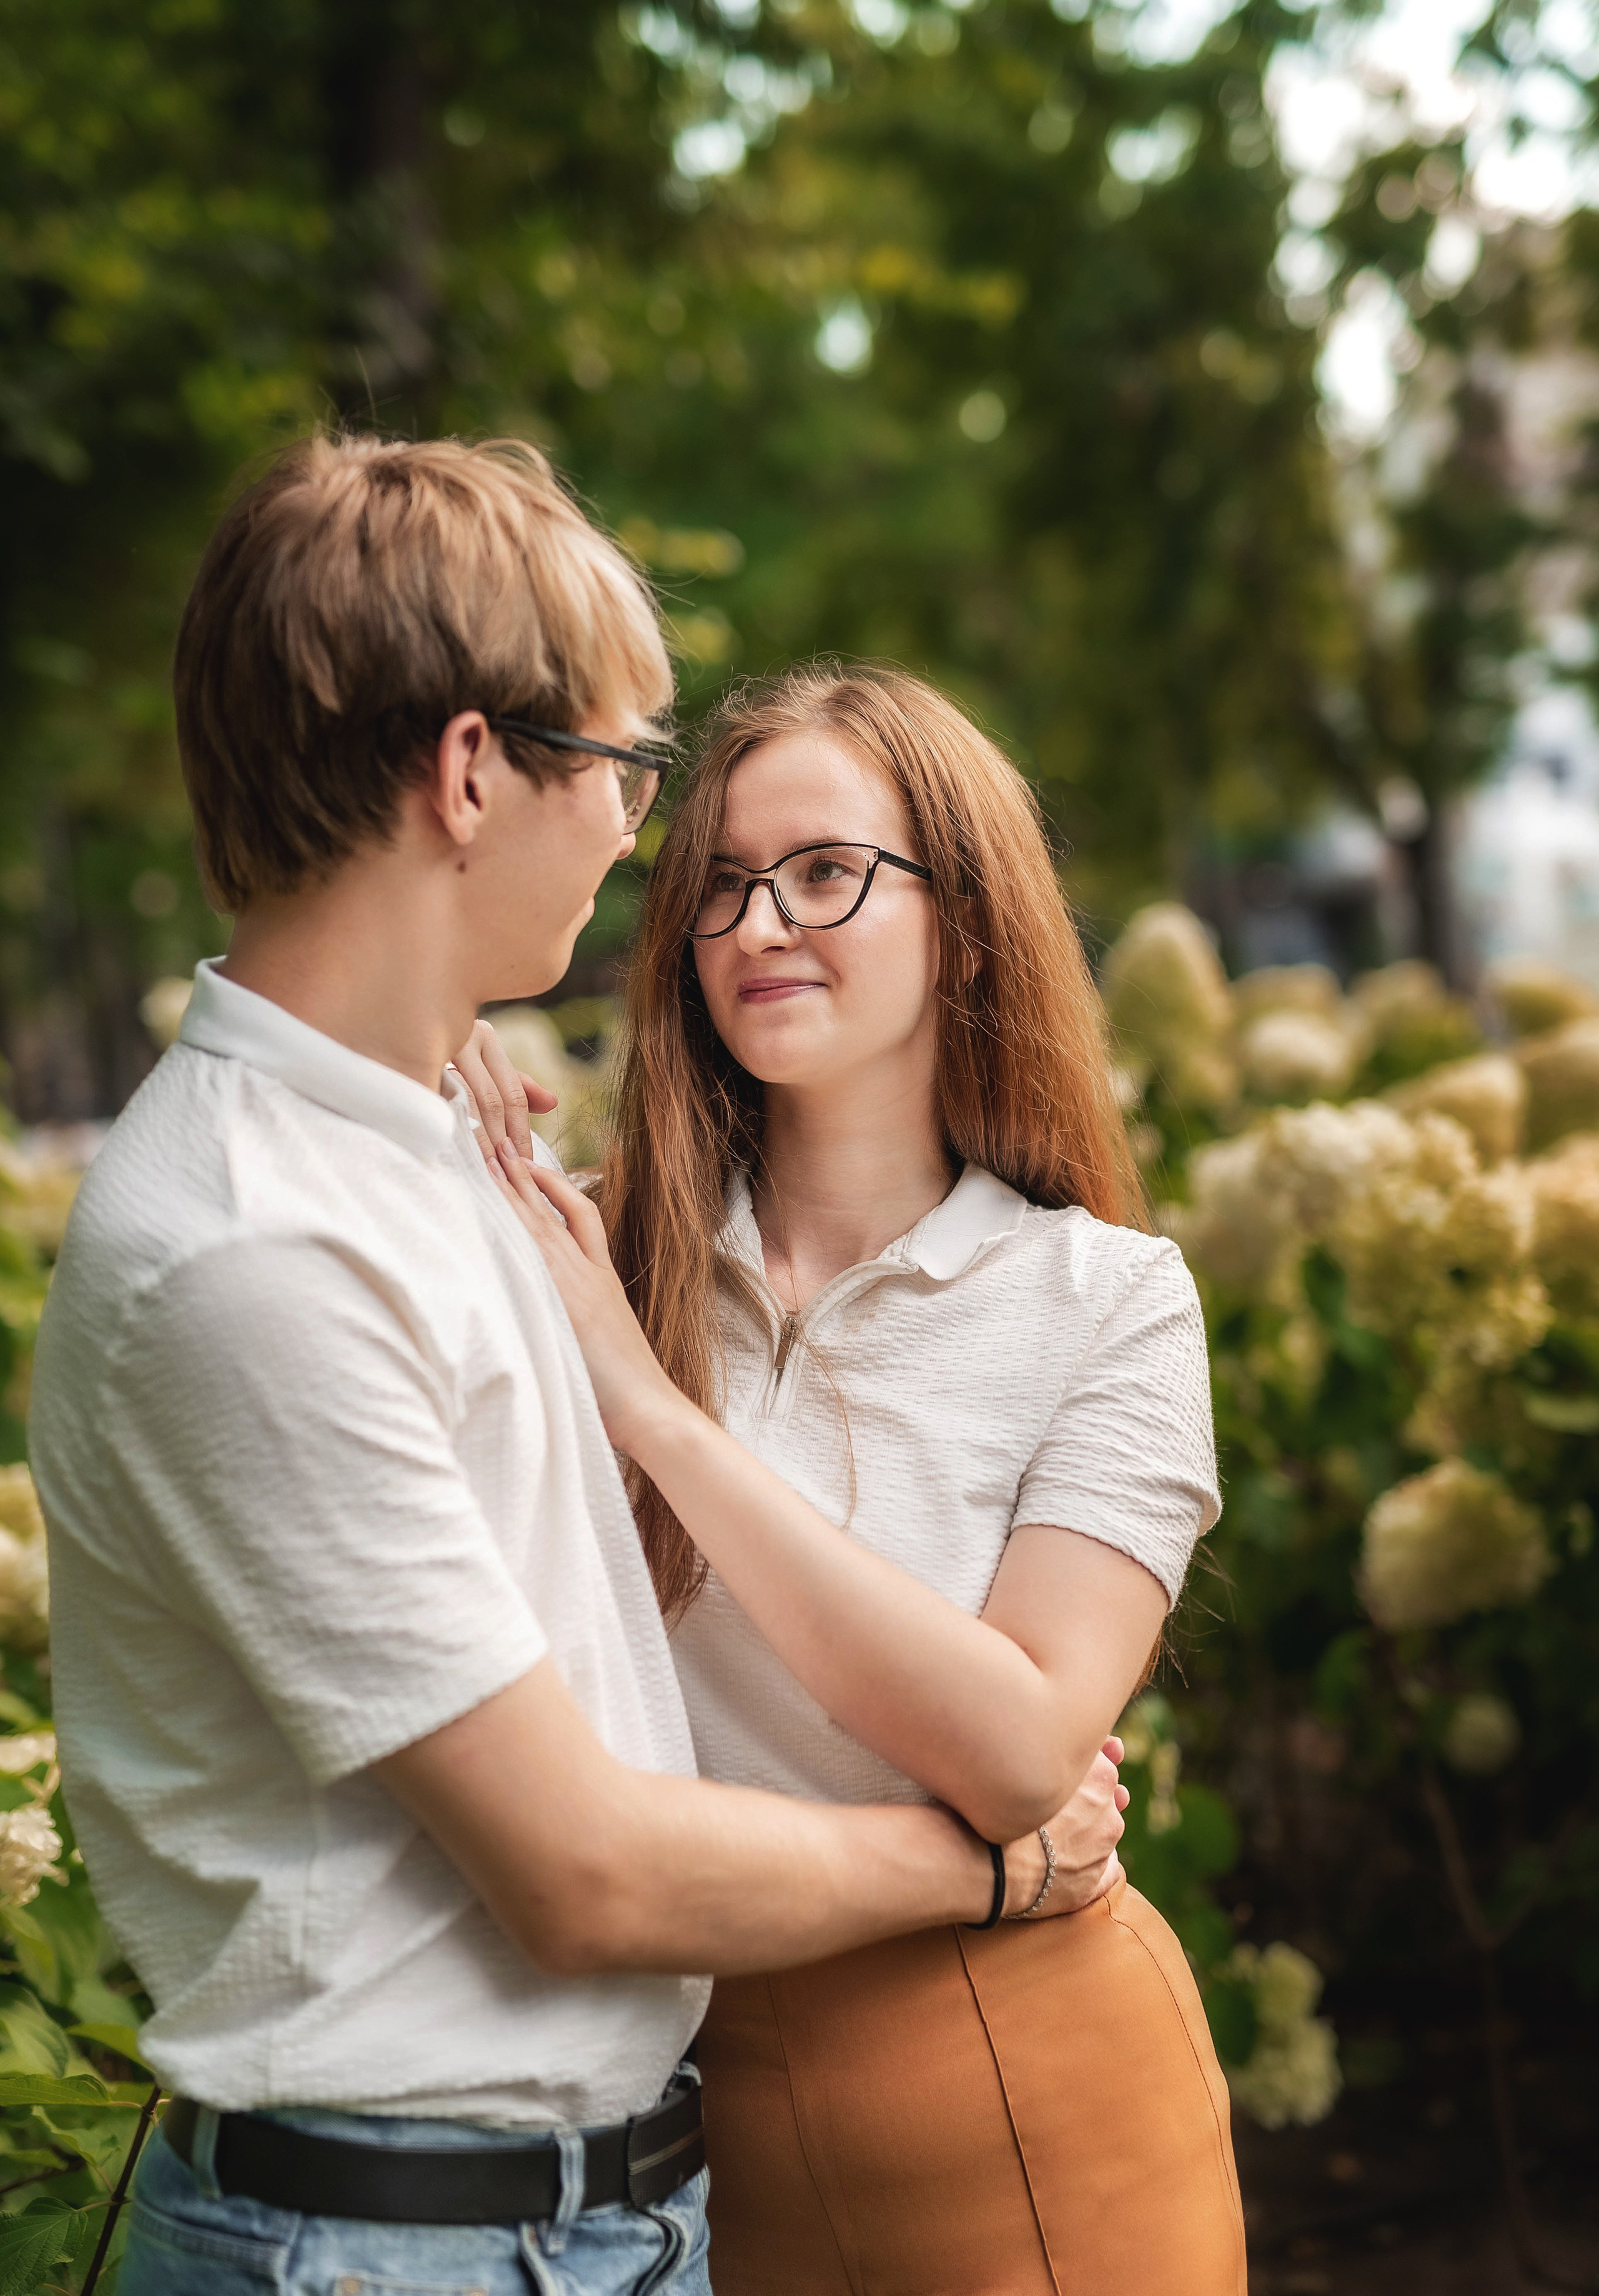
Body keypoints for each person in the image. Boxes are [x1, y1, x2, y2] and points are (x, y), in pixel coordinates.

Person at [26, 445, 1126, 2296]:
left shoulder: (412, 1144)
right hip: (382, 2247)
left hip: (555, 2221)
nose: (641, 834)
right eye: (626, 770)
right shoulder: (256, 1246)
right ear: (471, 770)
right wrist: (992, 1869)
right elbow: (587, 1873)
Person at [457, 663, 1249, 2296]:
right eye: (725, 887)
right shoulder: (582, 1245)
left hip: (1026, 2078)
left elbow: (1026, 1742)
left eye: (827, 874)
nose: (759, 925)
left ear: (961, 920)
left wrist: (659, 1412)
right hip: (675, 2123)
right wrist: (426, 1039)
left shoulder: (1104, 1298)